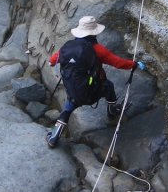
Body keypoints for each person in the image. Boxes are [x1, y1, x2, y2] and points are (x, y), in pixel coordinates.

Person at [46, 16, 145, 148]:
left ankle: (53, 137)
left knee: (68, 108)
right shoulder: (97, 49)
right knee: (108, 86)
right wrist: (134, 64)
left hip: (73, 91)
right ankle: (112, 113)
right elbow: (118, 63)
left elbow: (51, 61)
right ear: (94, 33)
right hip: (92, 91)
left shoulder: (67, 48)